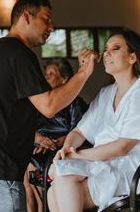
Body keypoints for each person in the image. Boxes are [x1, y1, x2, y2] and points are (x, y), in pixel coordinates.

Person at [0, 0, 97, 212]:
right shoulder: (19, 54)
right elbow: (49, 106)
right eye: (46, 19)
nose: (51, 27)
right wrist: (84, 72)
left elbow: (4, 112)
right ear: (26, 16)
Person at [47, 29, 140, 212]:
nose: (106, 53)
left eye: (115, 48)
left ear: (132, 58)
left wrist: (77, 156)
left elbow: (123, 147)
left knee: (63, 180)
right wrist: (66, 149)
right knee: (55, 187)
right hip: (111, 165)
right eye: (106, 49)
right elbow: (79, 132)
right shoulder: (106, 94)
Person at [24, 58, 89, 212]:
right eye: (45, 75)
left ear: (65, 79)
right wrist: (39, 140)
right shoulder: (41, 102)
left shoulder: (75, 103)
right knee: (24, 162)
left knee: (33, 164)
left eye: (51, 74)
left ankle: (41, 206)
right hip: (38, 146)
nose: (46, 78)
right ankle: (35, 206)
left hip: (60, 148)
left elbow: (80, 132)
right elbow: (25, 126)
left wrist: (56, 142)